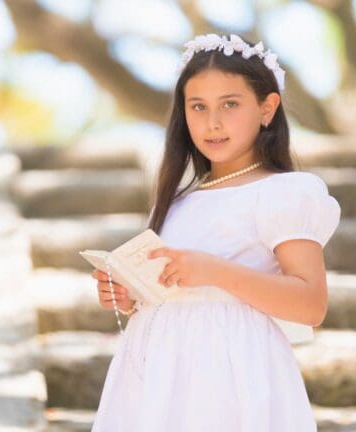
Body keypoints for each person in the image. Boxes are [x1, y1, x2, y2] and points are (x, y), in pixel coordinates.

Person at [89, 33, 341, 431]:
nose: (213, 122)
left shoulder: (283, 193)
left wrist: (213, 270)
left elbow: (311, 303)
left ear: (267, 108)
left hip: (232, 373)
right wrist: (128, 292)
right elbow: (170, 289)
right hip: (158, 374)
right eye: (198, 107)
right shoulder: (174, 202)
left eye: (230, 104)